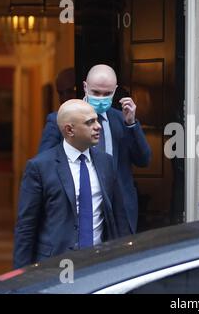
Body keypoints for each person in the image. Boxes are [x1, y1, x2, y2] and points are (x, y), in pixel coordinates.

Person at [13, 100, 130, 269]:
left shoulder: (106, 162)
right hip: (55, 264)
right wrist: (20, 278)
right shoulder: (40, 167)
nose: (98, 126)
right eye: (90, 122)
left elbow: (119, 217)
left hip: (100, 262)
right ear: (69, 130)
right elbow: (26, 226)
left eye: (96, 120)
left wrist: (125, 261)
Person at [38, 64, 151, 234]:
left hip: (118, 210)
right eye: (96, 92)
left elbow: (144, 160)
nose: (101, 98)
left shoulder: (122, 119)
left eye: (107, 94)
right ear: (85, 87)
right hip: (77, 207)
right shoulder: (59, 120)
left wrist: (131, 124)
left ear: (115, 91)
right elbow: (44, 167)